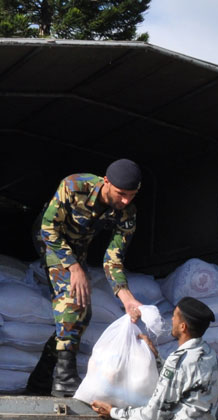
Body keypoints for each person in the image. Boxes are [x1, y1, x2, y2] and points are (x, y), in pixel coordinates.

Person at [29, 158, 145, 397]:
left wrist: (126, 297)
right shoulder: (74, 186)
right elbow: (48, 228)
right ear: (106, 182)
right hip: (50, 239)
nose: (125, 201)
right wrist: (74, 267)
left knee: (83, 312)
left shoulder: (128, 213)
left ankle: (40, 380)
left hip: (78, 248)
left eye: (131, 195)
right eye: (121, 193)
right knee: (72, 299)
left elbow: (113, 258)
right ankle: (64, 379)